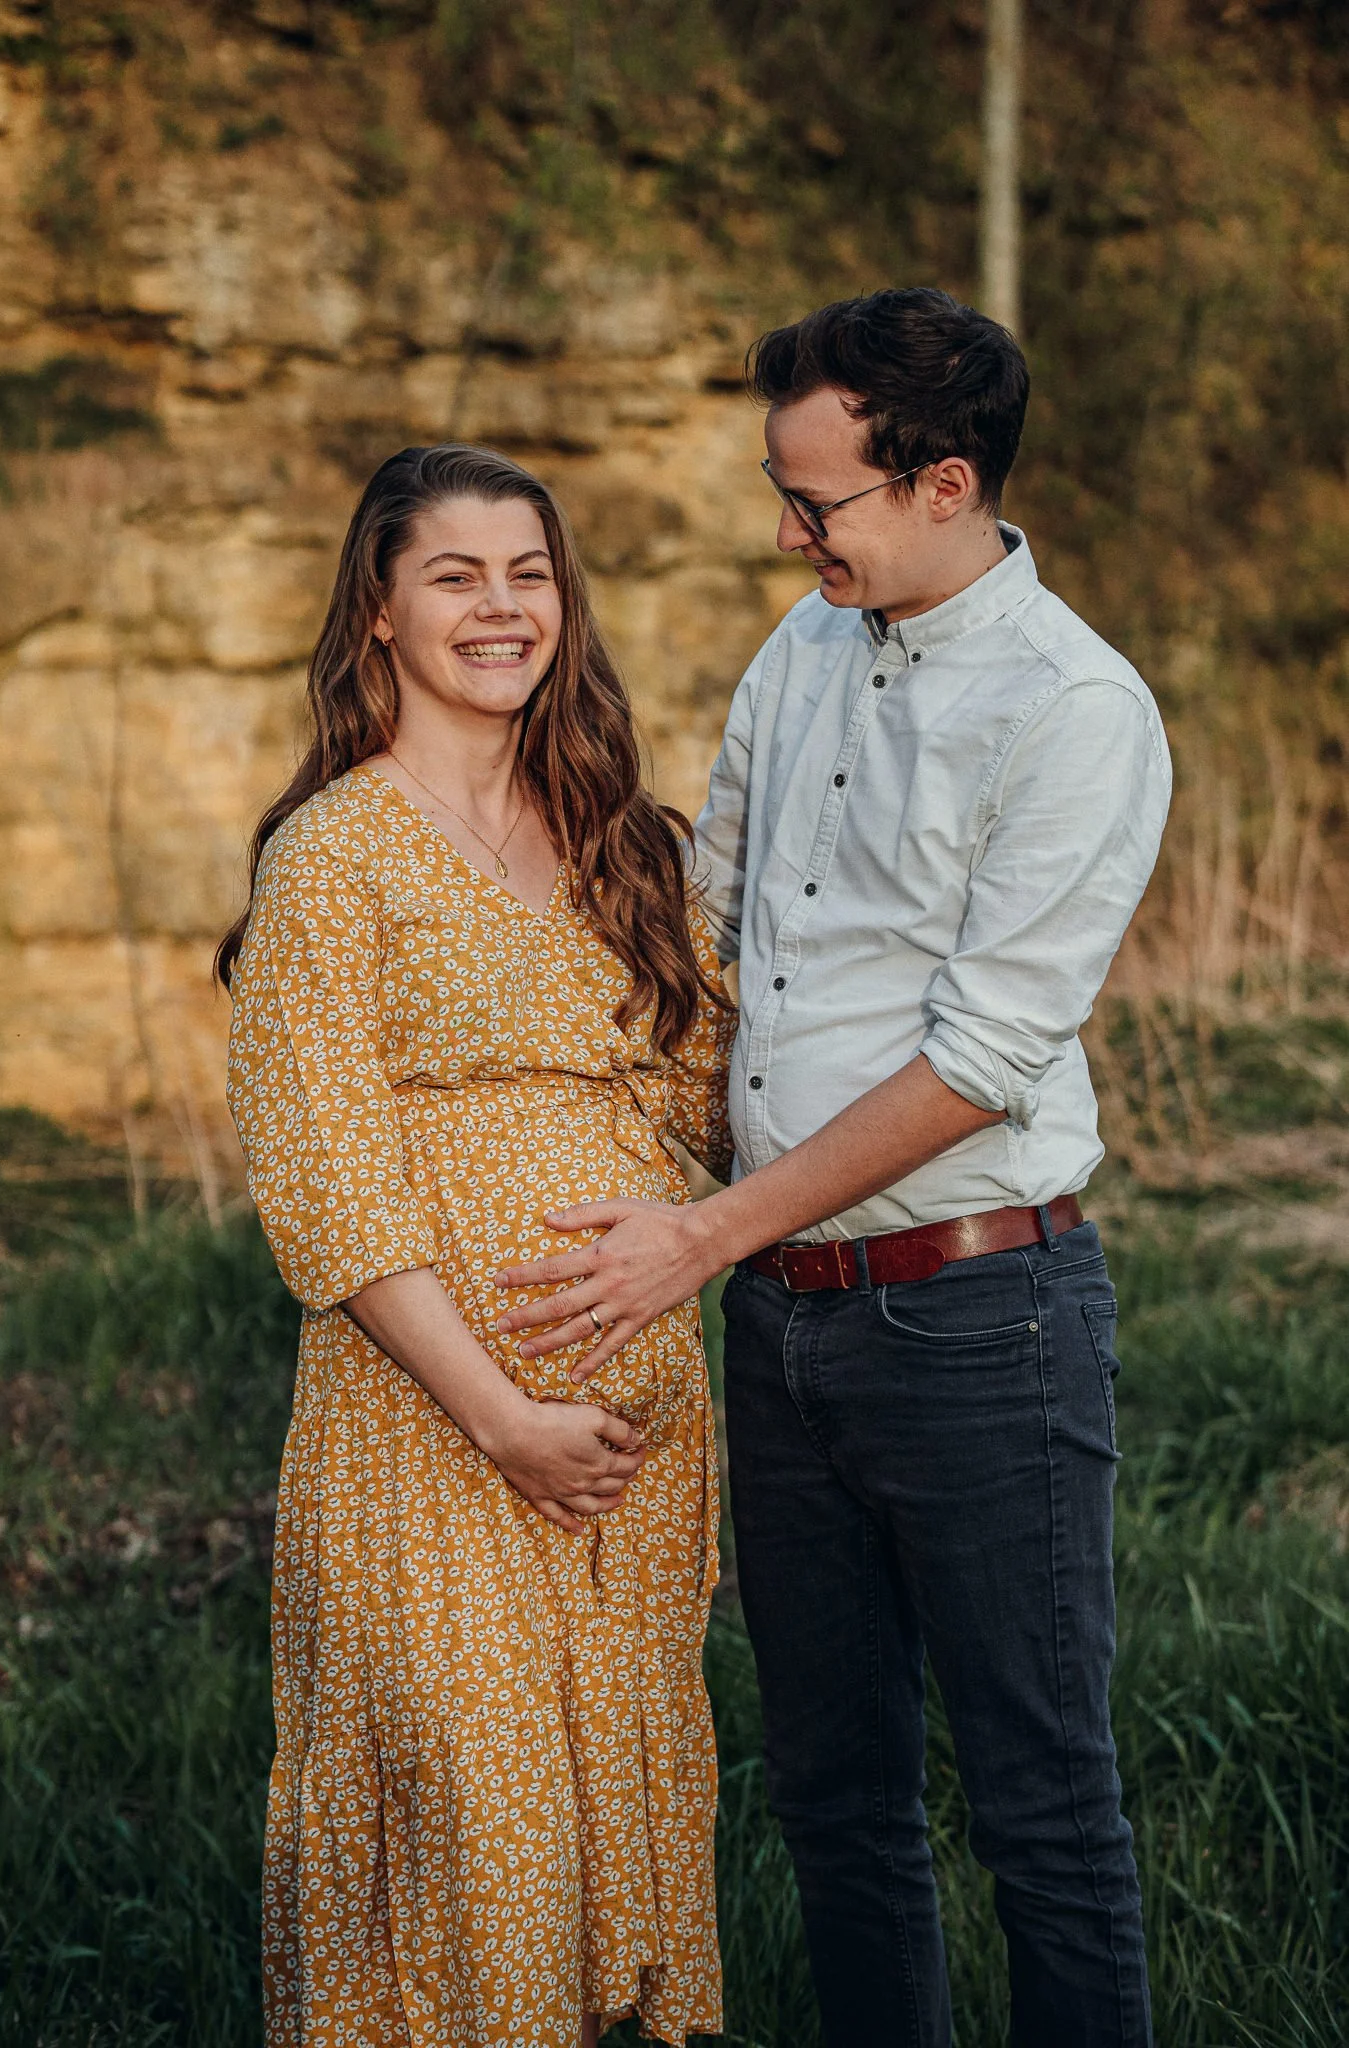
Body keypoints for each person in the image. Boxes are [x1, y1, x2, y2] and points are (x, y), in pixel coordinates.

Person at [495, 288, 1171, 2046]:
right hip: (784, 1334)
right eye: (782, 491)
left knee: (1044, 1812)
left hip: (982, 1321)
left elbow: (980, 1060)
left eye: (822, 504)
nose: (789, 534)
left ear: (945, 483)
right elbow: (706, 933)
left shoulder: (1077, 710)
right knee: (837, 1804)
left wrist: (695, 1238)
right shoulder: (798, 649)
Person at [218, 443, 734, 2048]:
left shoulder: (626, 844)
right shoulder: (331, 859)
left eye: (531, 574)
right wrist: (504, 1420)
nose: (501, 608)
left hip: (631, 1456)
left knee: (605, 1840)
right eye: (456, 575)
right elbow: (329, 1185)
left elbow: (715, 1110)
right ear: (379, 612)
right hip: (432, 1441)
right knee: (470, 1835)